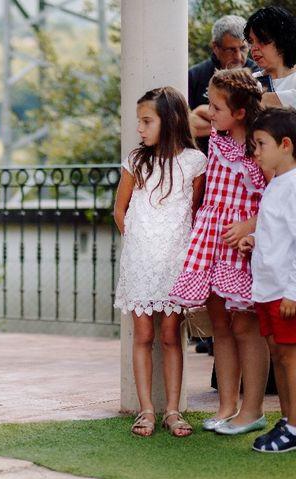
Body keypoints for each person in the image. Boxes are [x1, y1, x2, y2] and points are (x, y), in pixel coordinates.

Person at [170, 68, 270, 435]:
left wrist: (250, 226)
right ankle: (227, 404)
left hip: (241, 244)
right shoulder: (217, 136)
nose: (209, 111)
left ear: (240, 112)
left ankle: (253, 408)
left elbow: (278, 198)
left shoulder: (260, 148)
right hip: (211, 239)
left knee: (247, 326)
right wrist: (212, 104)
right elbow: (195, 116)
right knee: (221, 329)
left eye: (217, 106)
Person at [114, 86, 206, 437]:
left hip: (176, 261)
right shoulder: (135, 161)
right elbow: (119, 210)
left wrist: (177, 253)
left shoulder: (195, 162)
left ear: (169, 121)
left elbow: (193, 214)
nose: (140, 128)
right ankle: (146, 409)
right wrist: (138, 246)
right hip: (141, 262)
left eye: (146, 121)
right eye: (139, 122)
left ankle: (172, 410)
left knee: (170, 335)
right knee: (143, 334)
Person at [239, 107, 296, 453]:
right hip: (267, 289)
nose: (255, 152)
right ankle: (288, 419)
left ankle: (294, 426)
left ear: (285, 144)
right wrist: (255, 240)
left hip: (285, 293)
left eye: (260, 144)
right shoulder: (277, 183)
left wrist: (293, 291)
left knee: (290, 358)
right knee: (278, 355)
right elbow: (278, 234)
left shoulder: (293, 187)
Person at [189, 15, 258, 155]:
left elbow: (257, 123)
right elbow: (186, 124)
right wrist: (234, 125)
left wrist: (203, 111)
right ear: (215, 47)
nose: (239, 57)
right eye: (231, 50)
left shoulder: (258, 75)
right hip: (205, 161)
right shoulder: (195, 75)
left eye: (244, 48)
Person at [244, 6, 296, 108]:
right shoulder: (249, 82)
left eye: (262, 40)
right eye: (251, 42)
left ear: (282, 41)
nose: (253, 48)